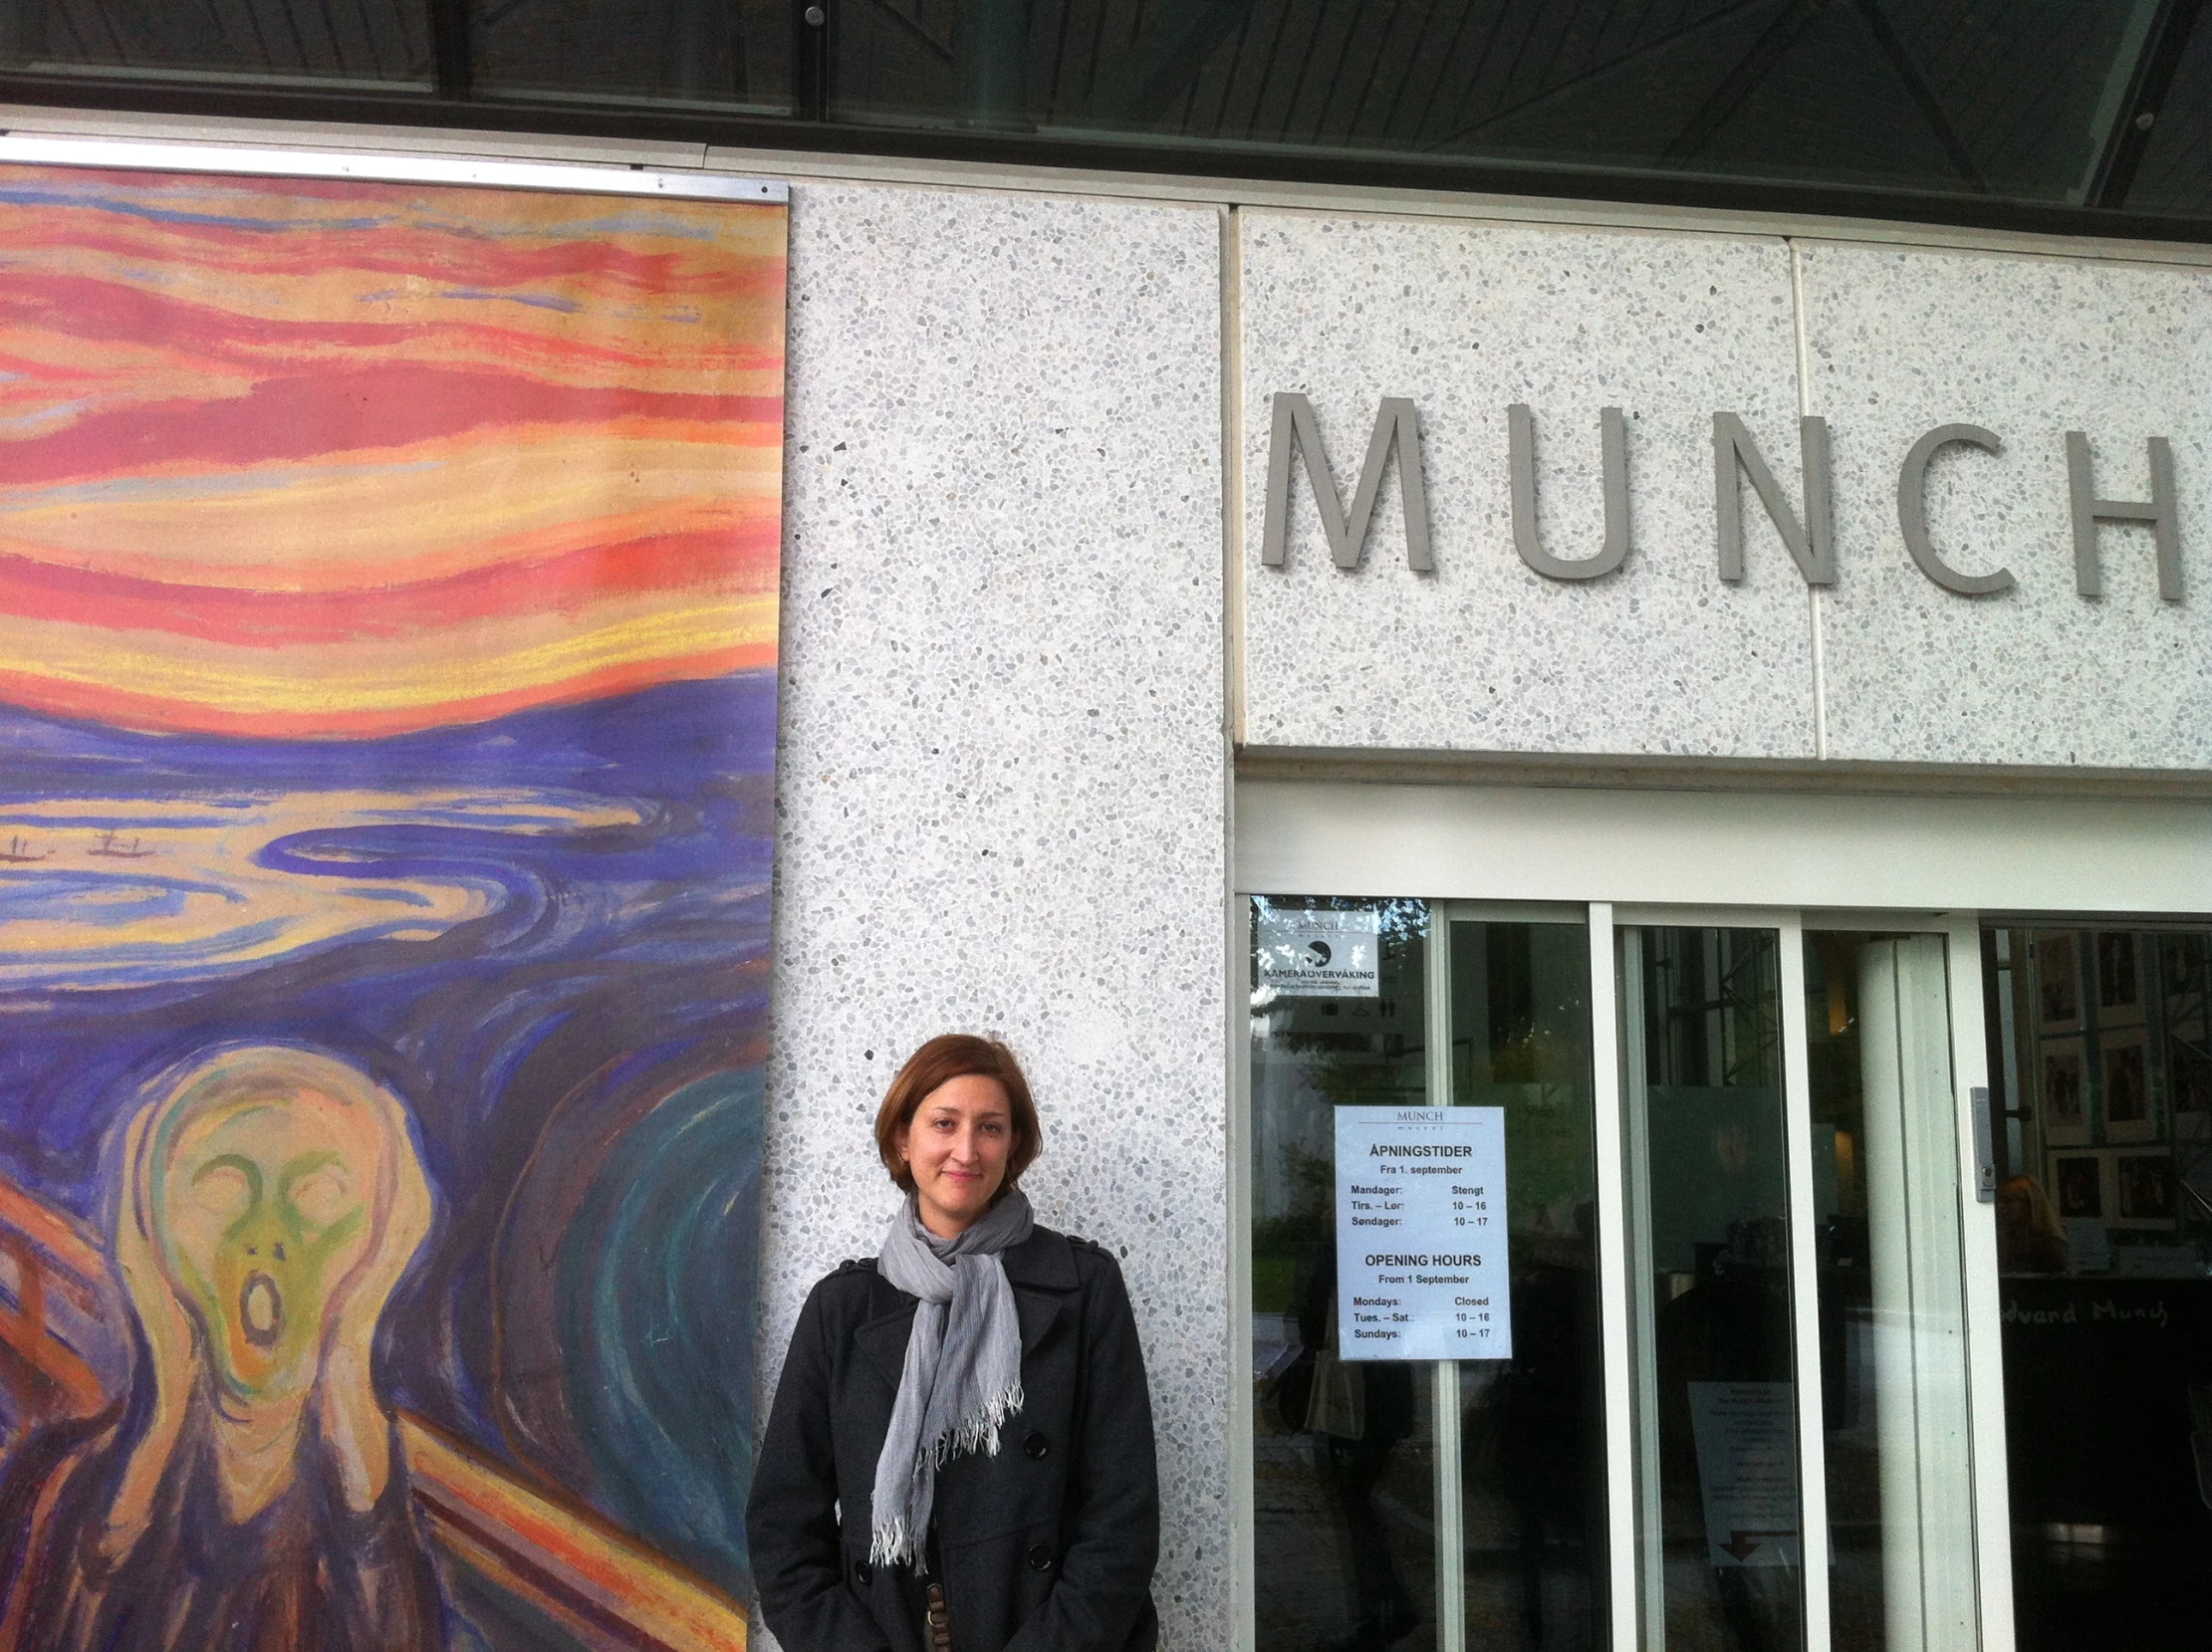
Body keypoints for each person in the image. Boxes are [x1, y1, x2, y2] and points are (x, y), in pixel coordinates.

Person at [0, 1043, 445, 1652]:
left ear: (380, 1242)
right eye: (223, 1190)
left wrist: (351, 1373)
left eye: (319, 1194)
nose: (267, 1236)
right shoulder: (54, 1483)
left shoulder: (377, 1521)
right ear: (153, 1235)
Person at [748, 1034, 1159, 1652]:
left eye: (990, 1127)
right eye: (944, 1123)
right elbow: (783, 1525)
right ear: (902, 1139)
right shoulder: (842, 1307)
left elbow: (1122, 1518)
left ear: (1013, 1145)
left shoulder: (1083, 1288)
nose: (966, 1150)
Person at [1996, 1174, 2069, 1274]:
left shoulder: (2048, 1244)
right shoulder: (2003, 1240)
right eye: (1998, 1200)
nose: (2000, 1206)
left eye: (2008, 1201)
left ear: (2030, 1203)